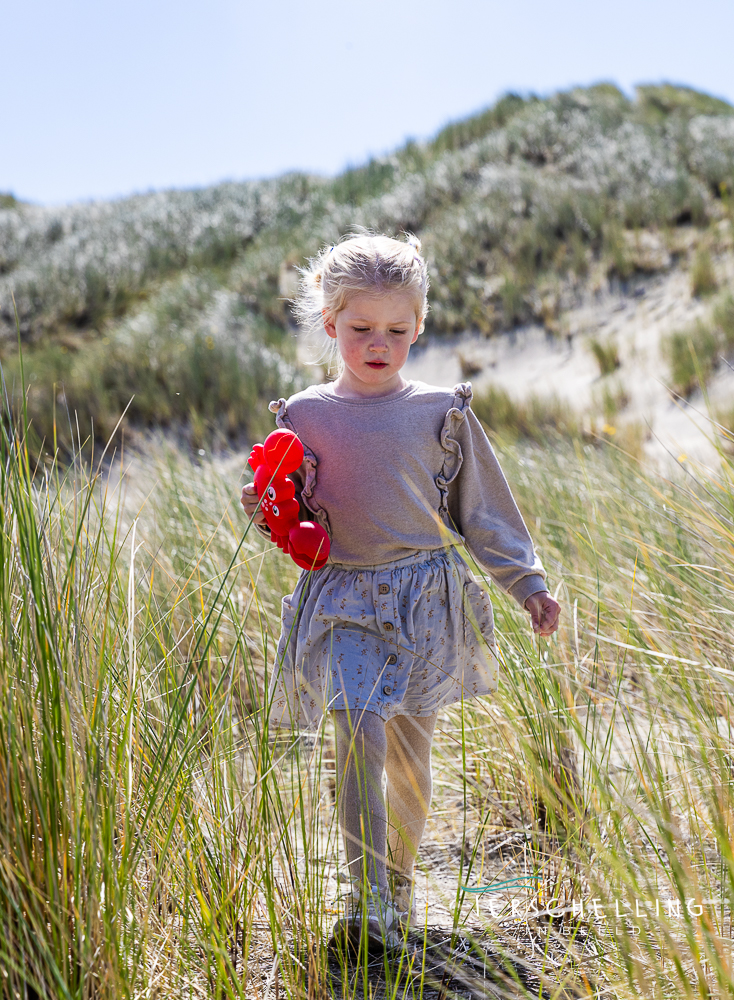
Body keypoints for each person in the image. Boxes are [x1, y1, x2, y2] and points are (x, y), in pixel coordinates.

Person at [239, 232, 561, 952]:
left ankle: (402, 883)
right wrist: (266, 505)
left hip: (425, 595)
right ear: (331, 326)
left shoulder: (441, 411)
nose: (377, 344)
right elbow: (275, 501)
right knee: (354, 734)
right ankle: (368, 897)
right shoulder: (306, 415)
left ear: (418, 326)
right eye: (360, 330)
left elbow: (483, 511)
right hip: (344, 595)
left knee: (412, 758)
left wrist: (528, 583)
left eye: (395, 330)